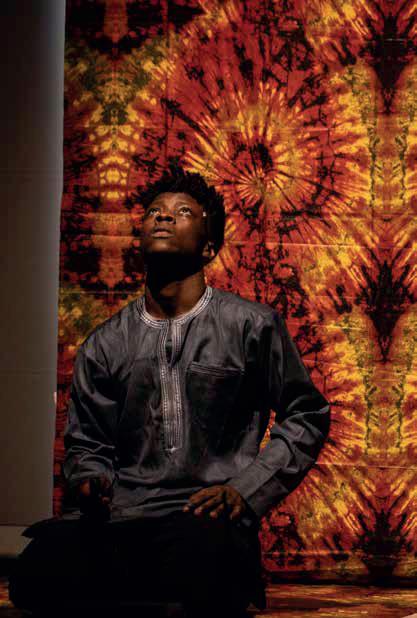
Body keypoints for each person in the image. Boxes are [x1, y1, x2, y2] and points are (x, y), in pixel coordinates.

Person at [9, 166, 331, 618]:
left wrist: (244, 491)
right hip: (124, 521)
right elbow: (88, 444)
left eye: (183, 212)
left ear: (209, 246)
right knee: (37, 569)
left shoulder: (251, 326)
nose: (162, 217)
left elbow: (307, 414)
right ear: (140, 238)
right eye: (154, 212)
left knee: (204, 558)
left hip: (205, 521)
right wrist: (91, 478)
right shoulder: (105, 344)